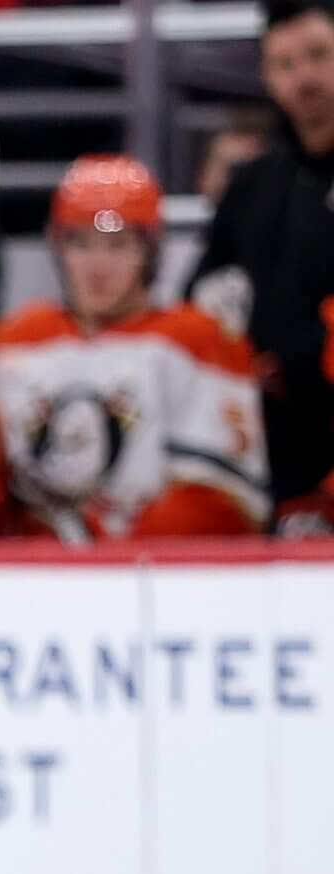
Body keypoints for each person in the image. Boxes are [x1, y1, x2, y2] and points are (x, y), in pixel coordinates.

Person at [0, 157, 268, 541]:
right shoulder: (11, 343)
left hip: (153, 582)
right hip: (38, 583)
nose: (98, 265)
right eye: (81, 243)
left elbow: (223, 505)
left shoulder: (198, 340)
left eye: (117, 243)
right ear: (57, 248)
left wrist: (104, 556)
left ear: (151, 250)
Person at [192, 1, 334, 518]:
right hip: (261, 441)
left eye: (319, 56)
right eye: (287, 64)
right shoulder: (253, 182)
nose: (306, 78)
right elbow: (204, 286)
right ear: (267, 77)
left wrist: (298, 362)